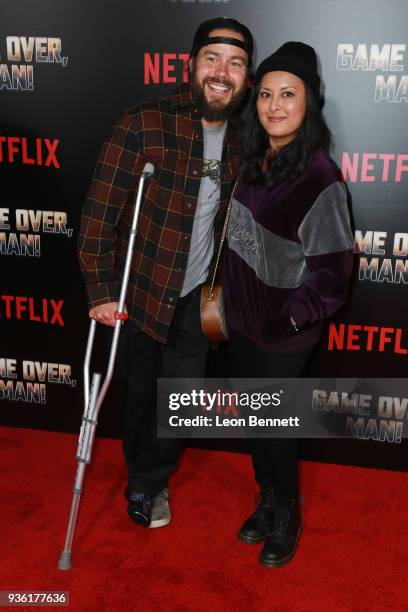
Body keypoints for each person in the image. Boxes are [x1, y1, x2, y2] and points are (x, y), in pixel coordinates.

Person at [77, 18, 253, 529]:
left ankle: (154, 469)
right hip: (146, 290)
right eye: (213, 59)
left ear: (246, 76)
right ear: (191, 64)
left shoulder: (248, 138)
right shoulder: (144, 123)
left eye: (235, 63)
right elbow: (97, 215)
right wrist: (101, 290)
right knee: (139, 396)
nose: (222, 72)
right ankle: (146, 484)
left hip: (198, 297)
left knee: (182, 401)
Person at [223, 42, 354, 567]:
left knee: (275, 427)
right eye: (267, 94)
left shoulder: (320, 176)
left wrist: (291, 316)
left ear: (310, 104)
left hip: (283, 333)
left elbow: (333, 276)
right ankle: (268, 499)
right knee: (256, 422)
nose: (275, 106)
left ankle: (287, 514)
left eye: (289, 95)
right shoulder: (254, 160)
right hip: (242, 322)